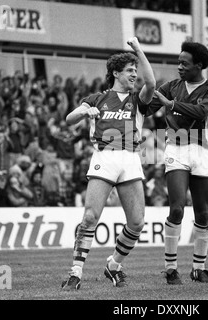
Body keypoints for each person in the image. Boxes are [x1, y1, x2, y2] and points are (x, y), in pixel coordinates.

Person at [61, 37, 156, 290]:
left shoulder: (139, 100)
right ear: (116, 73)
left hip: (130, 158)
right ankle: (75, 273)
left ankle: (113, 265)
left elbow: (152, 82)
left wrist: (138, 50)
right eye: (129, 70)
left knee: (136, 223)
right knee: (90, 216)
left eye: (136, 70)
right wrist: (84, 111)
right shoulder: (97, 98)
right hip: (105, 157)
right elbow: (69, 119)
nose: (135, 74)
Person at [150, 41, 208, 284]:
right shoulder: (171, 86)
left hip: (202, 150)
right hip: (176, 148)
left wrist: (170, 104)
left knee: (202, 213)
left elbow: (201, 112)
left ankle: (198, 268)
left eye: (184, 63)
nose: (179, 66)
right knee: (177, 208)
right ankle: (171, 269)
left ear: (199, 66)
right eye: (178, 62)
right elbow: (148, 103)